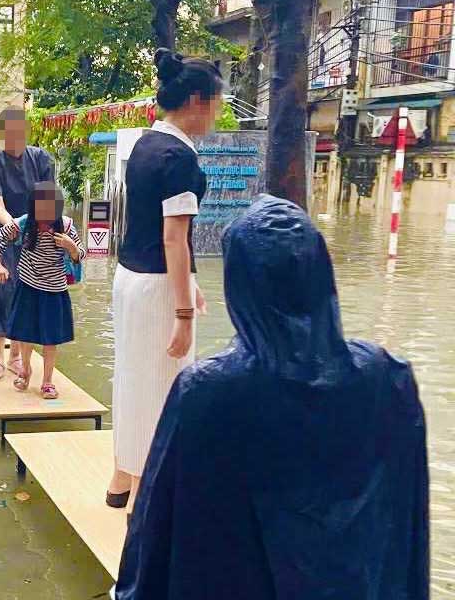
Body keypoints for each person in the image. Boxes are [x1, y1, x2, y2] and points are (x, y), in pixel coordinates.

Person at [113, 195, 429, 600]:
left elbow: (154, 534)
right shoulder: (390, 380)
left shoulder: (209, 393)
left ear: (239, 286)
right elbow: (408, 530)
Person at [107, 49, 223, 509]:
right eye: (215, 103)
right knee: (165, 388)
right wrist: (183, 312)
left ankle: (121, 479)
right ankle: (143, 499)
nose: (217, 113)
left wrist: (189, 283)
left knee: (132, 378)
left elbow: (155, 229)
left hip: (129, 278)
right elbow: (175, 238)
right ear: (196, 100)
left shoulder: (143, 145)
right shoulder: (180, 159)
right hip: (157, 289)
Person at [0, 182, 83, 399]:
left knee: (51, 338)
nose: (46, 215)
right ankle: (25, 370)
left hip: (55, 289)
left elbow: (80, 256)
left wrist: (71, 247)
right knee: (26, 333)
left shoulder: (66, 226)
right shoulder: (23, 224)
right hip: (28, 285)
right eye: (41, 208)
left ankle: (47, 381)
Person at [0, 107, 55, 380]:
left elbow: (48, 199)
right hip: (1, 230)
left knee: (27, 291)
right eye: (8, 134)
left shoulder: (41, 159)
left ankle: (16, 356)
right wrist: (13, 224)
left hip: (33, 231)